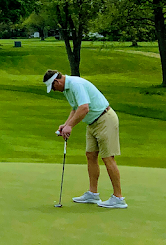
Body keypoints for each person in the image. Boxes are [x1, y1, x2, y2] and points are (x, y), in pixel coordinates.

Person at [44, 70, 126, 209]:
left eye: (53, 87)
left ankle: (118, 198)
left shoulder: (76, 84)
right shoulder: (67, 89)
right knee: (90, 155)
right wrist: (66, 124)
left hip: (105, 119)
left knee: (107, 157)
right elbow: (75, 108)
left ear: (57, 82)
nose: (54, 90)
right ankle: (93, 194)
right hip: (92, 123)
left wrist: (70, 126)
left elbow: (84, 108)